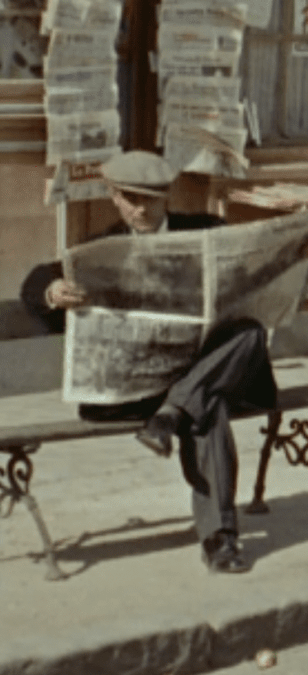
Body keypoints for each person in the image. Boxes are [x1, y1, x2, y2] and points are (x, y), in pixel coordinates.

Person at [20, 151, 280, 575]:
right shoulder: (101, 249)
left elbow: (260, 264)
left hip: (193, 375)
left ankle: (175, 415)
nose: (140, 210)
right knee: (207, 405)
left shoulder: (206, 232)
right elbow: (33, 282)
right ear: (113, 196)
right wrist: (52, 292)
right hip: (138, 390)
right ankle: (219, 537)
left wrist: (301, 255)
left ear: (167, 196)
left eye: (150, 200)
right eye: (130, 199)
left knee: (249, 336)